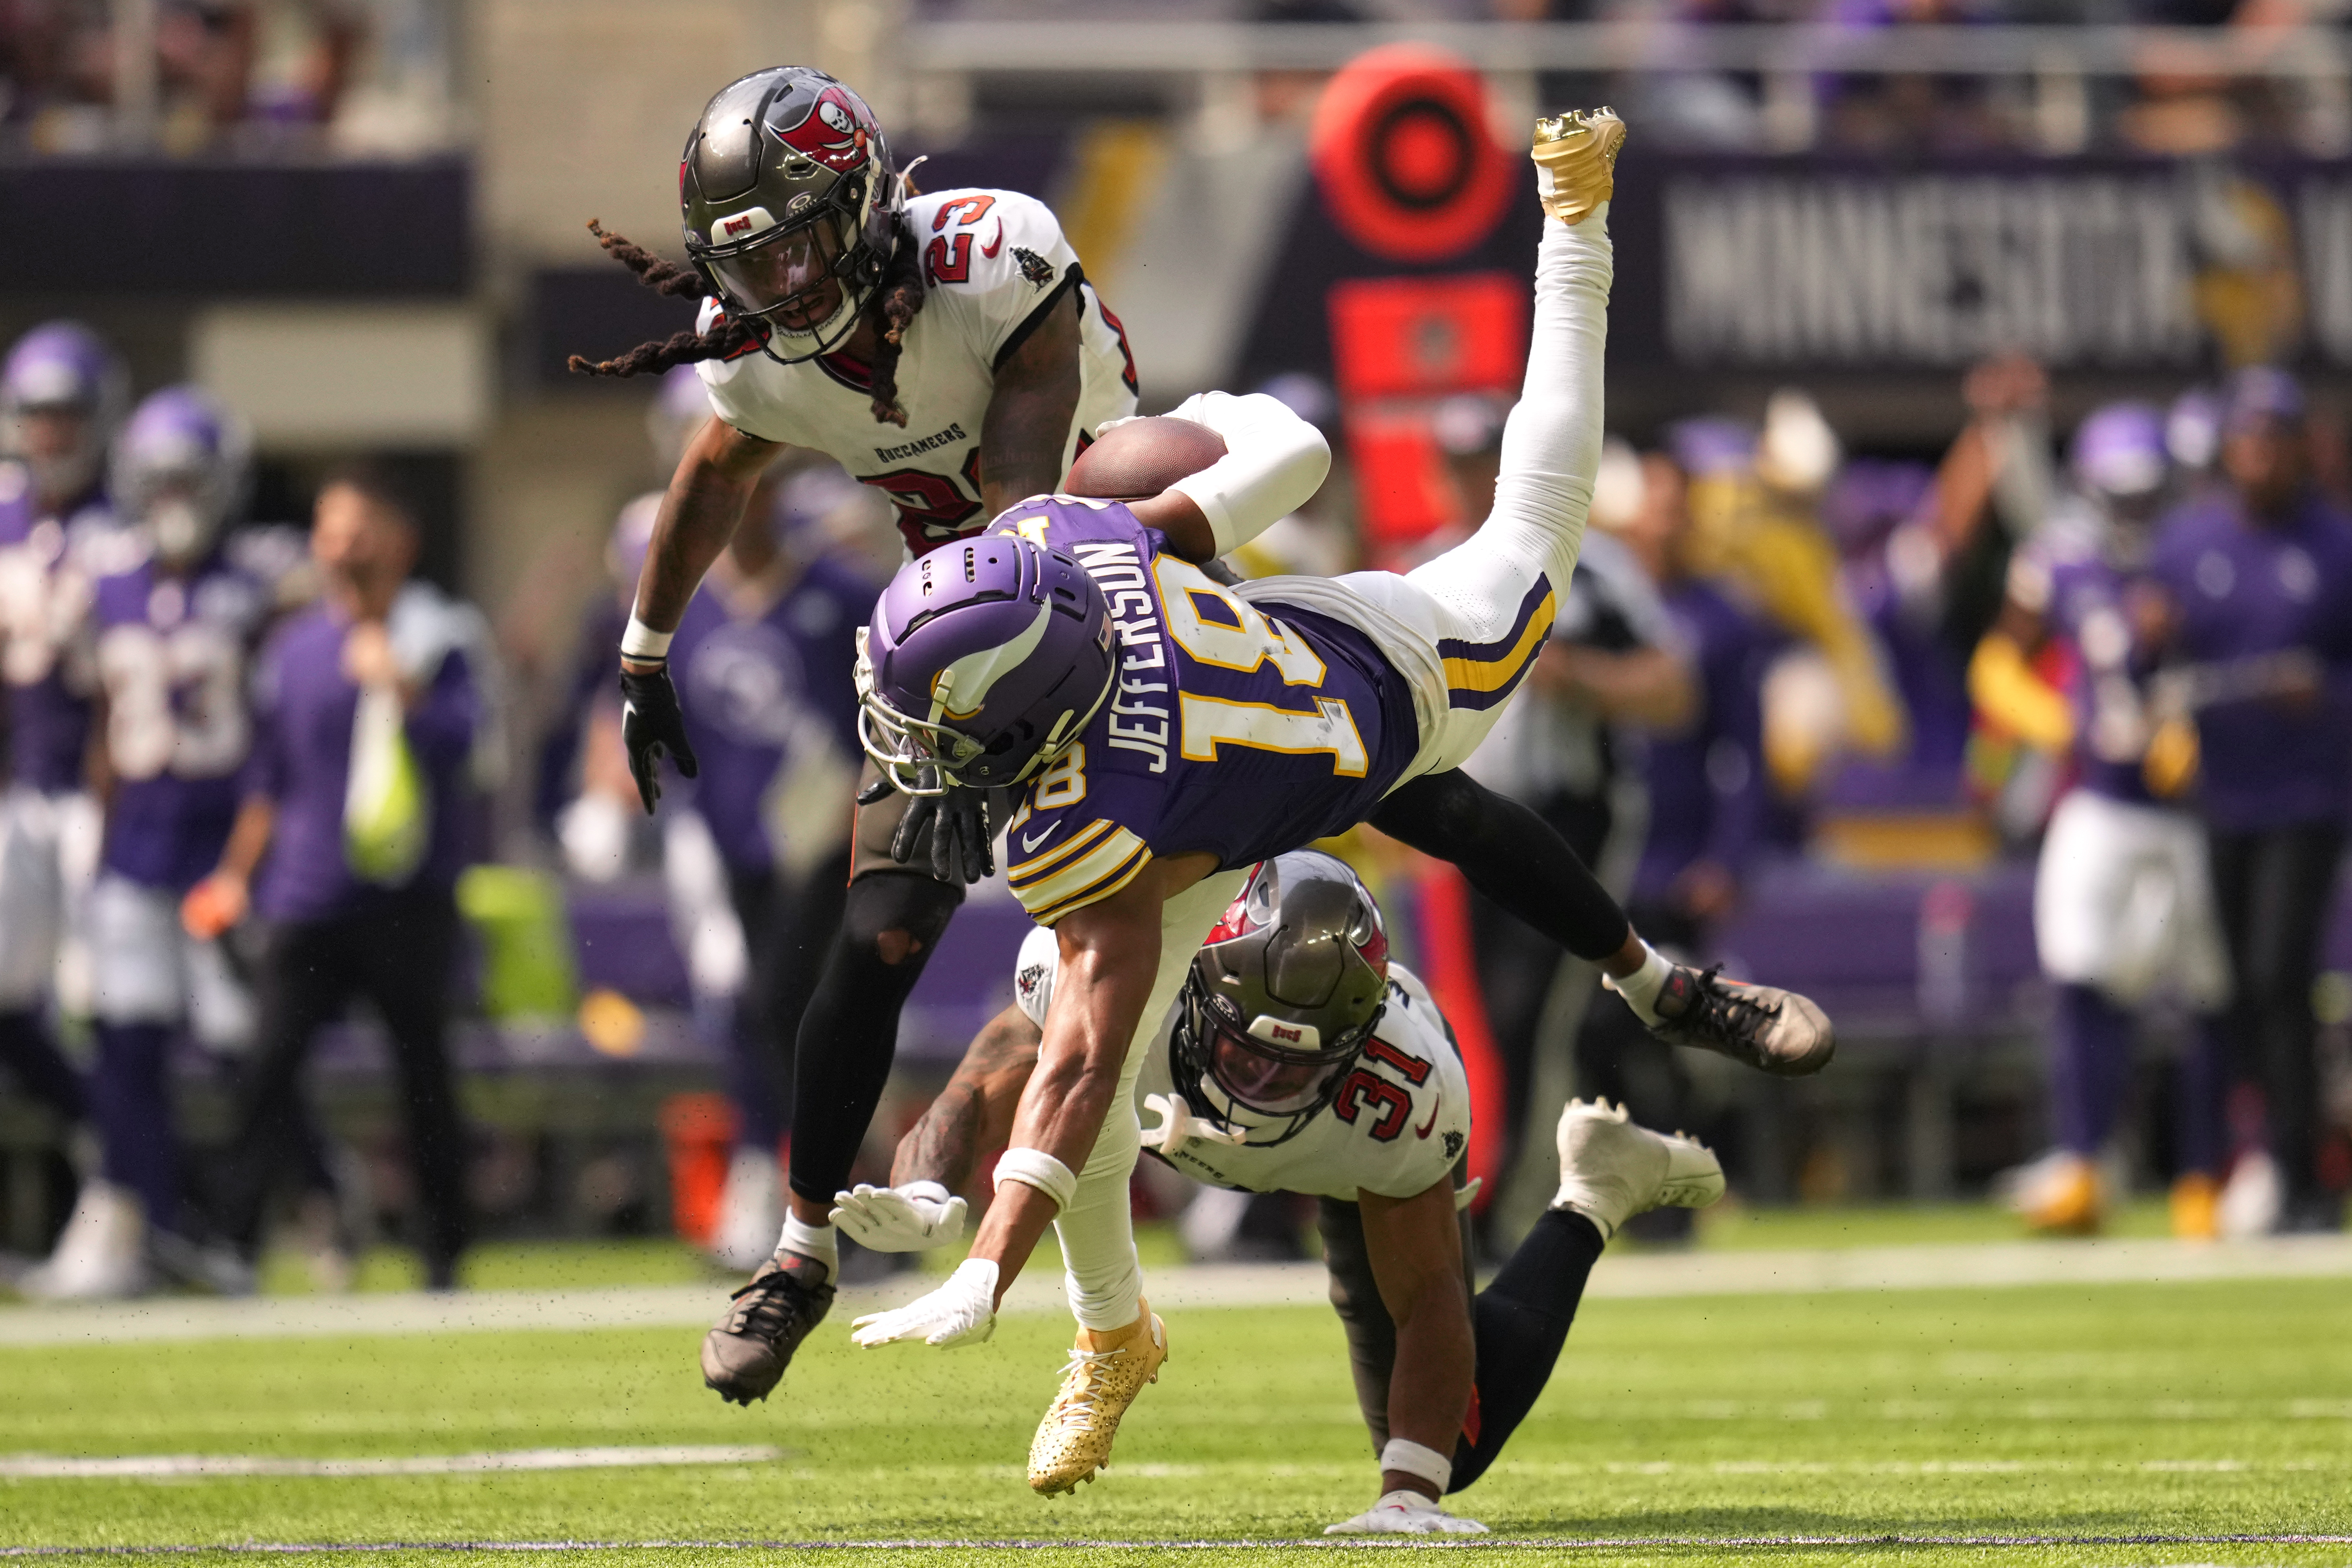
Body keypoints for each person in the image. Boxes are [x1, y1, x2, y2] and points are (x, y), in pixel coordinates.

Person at [810, 112, 1830, 1491]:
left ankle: (1573, 228)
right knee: (1064, 1009)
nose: (927, 746)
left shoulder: (1113, 812)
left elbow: (1076, 1066)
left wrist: (989, 1262)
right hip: (1244, 720)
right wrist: (1188, 506)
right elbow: (1289, 447)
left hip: (1398, 679)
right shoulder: (1051, 538)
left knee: (1539, 512)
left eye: (957, 720)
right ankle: (1112, 1338)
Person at [584, 65, 1150, 1301]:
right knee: (876, 933)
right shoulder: (759, 364)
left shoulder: (994, 259)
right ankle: (798, 1245)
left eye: (801, 251)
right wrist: (643, 651)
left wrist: (974, 726)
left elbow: (1023, 517)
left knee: (1145, 932)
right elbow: (714, 476)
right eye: (751, 266)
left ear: (869, 207)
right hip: (960, 632)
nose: (781, 290)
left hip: (1129, 598)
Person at [826, 851, 1721, 1532]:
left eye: (1297, 1057)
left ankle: (1596, 1192)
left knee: (1449, 1451)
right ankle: (1112, 1334)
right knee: (1062, 1097)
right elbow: (979, 1087)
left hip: (1343, 1158)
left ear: (1359, 1036)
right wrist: (928, 1192)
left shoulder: (1402, 1086)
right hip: (1194, 1105)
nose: (1263, 1078)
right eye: (1248, 1048)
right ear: (1203, 988)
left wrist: (1408, 1498)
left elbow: (1430, 1300)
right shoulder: (1124, 971)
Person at [185, 466, 486, 1288]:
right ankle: (234, 1241)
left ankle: (441, 1248)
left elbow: (466, 751)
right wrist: (234, 877)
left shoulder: (440, 635)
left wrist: (399, 681)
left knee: (423, 1076)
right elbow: (269, 781)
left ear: (399, 541)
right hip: (307, 894)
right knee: (266, 1068)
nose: (342, 546)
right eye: (331, 529)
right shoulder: (294, 647)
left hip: (406, 896)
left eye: (359, 528)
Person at [1970, 403, 2232, 1239]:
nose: (2136, 514)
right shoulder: (2065, 557)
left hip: (2199, 809)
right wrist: (2059, 722)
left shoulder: (2206, 555)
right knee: (2079, 974)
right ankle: (2084, 1162)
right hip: (2102, 798)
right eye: (2122, 495)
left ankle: (2206, 1176)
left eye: (2148, 495)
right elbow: (1998, 662)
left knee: (2208, 991)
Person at [2144, 368, 2352, 1235]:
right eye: (2250, 438)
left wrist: (2328, 694)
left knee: (2280, 975)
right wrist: (2147, 633)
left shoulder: (2335, 545)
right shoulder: (2188, 543)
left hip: (2304, 793)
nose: (2262, 454)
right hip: (2219, 797)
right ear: (2229, 448)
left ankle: (2304, 1175)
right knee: (2234, 990)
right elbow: (2147, 656)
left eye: (2277, 438)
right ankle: (2262, 1161)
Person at [661, 464, 868, 1270]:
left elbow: (882, 710)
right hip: (723, 840)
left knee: (795, 1008)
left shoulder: (838, 594)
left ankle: (824, 1191)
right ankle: (784, 1188)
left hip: (822, 845)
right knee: (755, 1012)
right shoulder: (686, 601)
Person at [0, 324, 122, 1204]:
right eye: (40, 416)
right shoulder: (4, 514)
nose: (53, 434)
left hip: (98, 795)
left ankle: (134, 1182)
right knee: (9, 996)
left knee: (106, 1003)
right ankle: (101, 1143)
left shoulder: (125, 521)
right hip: (18, 792)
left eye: (69, 416)